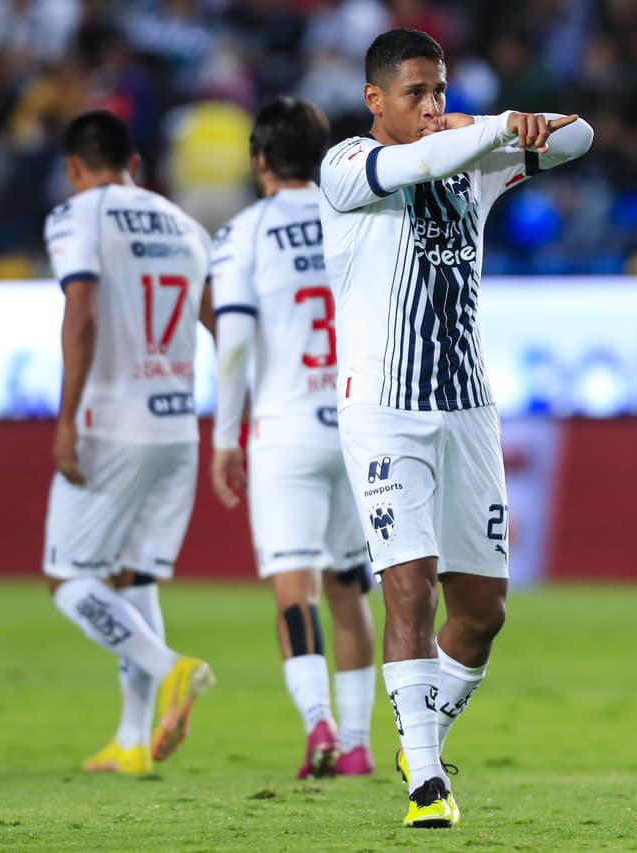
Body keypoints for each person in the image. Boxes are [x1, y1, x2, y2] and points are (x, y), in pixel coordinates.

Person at [318, 28, 592, 828]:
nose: (432, 107)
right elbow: (418, 163)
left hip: (468, 406)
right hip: (384, 407)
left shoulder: (472, 158)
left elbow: (580, 137)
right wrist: (491, 130)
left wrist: (514, 123)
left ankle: (420, 733)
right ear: (375, 100)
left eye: (440, 91)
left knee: (481, 613)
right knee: (407, 588)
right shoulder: (344, 169)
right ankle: (427, 785)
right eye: (416, 93)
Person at [42, 110, 217, 775]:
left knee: (68, 578)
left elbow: (80, 312)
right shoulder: (183, 224)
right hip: (177, 426)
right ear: (135, 165)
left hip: (111, 423)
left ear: (74, 169)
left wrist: (66, 420)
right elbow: (220, 325)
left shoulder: (75, 216)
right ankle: (133, 741)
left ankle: (173, 667)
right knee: (133, 574)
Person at [209, 96, 378, 780]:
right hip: (359, 421)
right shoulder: (357, 215)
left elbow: (235, 339)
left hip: (285, 428)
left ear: (259, 162)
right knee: (349, 586)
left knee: (294, 588)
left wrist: (225, 437)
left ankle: (319, 727)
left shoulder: (244, 232)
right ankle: (361, 740)